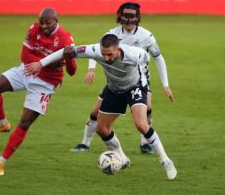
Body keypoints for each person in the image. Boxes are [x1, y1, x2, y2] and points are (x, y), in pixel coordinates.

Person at [25, 34, 177, 180]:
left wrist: (153, 84)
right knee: (101, 129)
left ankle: (165, 160)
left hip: (136, 86)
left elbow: (148, 59)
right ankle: (122, 158)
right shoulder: (95, 50)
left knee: (141, 125)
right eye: (103, 54)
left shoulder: (134, 54)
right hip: (114, 89)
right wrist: (41, 63)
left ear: (119, 49)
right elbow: (67, 51)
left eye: (110, 54)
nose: (106, 58)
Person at [70, 2, 174, 154]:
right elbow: (95, 50)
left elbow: (158, 58)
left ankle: (145, 143)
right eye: (126, 16)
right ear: (120, 16)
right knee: (95, 112)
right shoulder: (112, 34)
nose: (129, 20)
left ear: (137, 17)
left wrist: (165, 84)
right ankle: (84, 144)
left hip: (140, 79)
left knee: (147, 110)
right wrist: (91, 69)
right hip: (115, 79)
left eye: (132, 16)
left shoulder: (147, 36)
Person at [0, 8, 77, 176]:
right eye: (41, 22)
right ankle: (2, 124)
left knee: (25, 123)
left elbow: (72, 71)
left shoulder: (65, 39)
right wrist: (46, 63)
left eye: (47, 23)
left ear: (56, 21)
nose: (43, 26)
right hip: (27, 71)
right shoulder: (34, 28)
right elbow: (25, 56)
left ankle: (0, 163)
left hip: (46, 83)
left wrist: (69, 58)